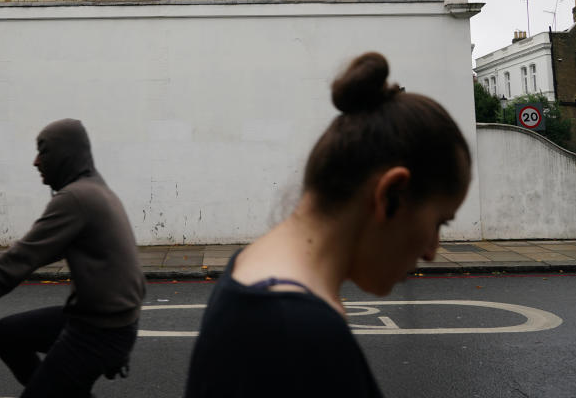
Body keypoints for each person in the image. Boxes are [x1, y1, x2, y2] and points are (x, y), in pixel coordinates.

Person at [183, 52, 471, 397]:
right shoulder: (299, 333)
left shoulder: (251, 270)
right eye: (440, 222)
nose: (432, 252)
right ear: (390, 194)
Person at [0, 118, 146, 398]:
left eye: (43, 151)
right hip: (104, 320)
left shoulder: (75, 198)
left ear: (65, 155)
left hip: (99, 331)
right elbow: (38, 251)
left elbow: (15, 265)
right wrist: (0, 258)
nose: (35, 161)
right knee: (6, 334)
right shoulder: (95, 189)